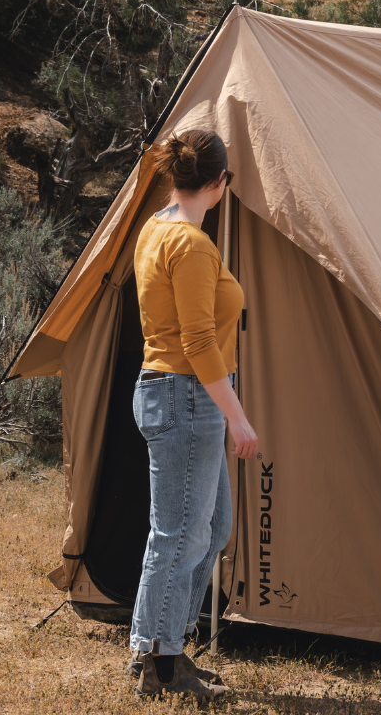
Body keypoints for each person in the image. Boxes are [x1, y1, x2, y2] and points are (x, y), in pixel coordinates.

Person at [128, 128, 258, 702]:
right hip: (188, 397)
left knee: (209, 530)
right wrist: (237, 416)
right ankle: (160, 664)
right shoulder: (191, 245)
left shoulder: (156, 227)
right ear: (219, 184)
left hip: (173, 393)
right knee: (179, 537)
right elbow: (200, 341)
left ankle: (161, 647)